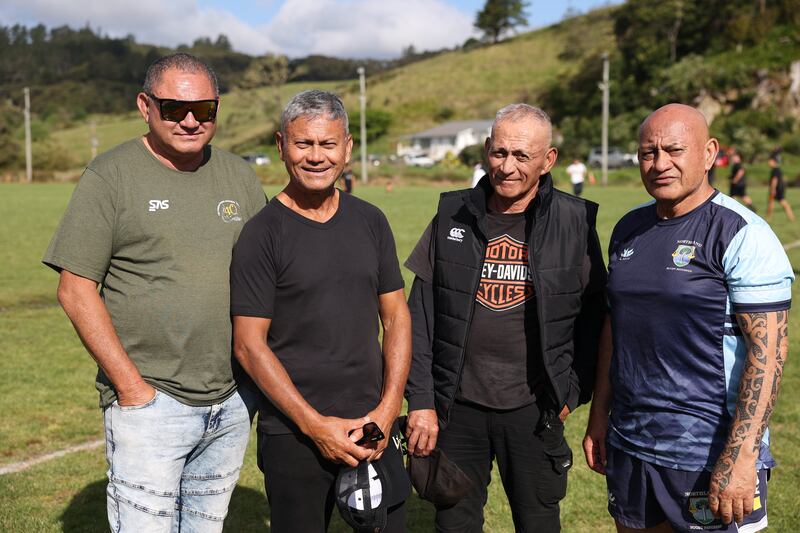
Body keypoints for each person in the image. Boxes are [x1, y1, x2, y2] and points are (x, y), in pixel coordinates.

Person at [42, 53, 267, 532]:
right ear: (145, 106)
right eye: (173, 108)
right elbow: (75, 289)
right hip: (150, 401)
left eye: (203, 109)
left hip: (231, 401)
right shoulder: (111, 176)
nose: (190, 120)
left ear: (216, 108)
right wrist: (131, 388)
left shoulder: (240, 178)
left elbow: (269, 279)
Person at [583, 103, 793, 533]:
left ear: (709, 152)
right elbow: (614, 325)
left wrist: (741, 456)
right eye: (648, 152)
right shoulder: (628, 229)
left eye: (674, 150)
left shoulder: (742, 234)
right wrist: (599, 414)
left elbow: (768, 354)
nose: (660, 164)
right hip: (631, 442)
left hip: (707, 454)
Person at [404, 103, 608, 532]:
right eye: (499, 153)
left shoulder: (575, 221)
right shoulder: (450, 214)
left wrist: (573, 391)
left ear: (547, 160)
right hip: (457, 407)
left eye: (522, 156)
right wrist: (421, 401)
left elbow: (594, 318)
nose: (507, 166)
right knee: (454, 523)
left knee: (538, 522)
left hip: (534, 411)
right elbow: (418, 316)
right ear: (485, 151)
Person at [229, 89, 412, 532]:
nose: (316, 156)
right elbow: (250, 346)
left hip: (373, 427)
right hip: (294, 434)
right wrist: (314, 426)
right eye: (303, 144)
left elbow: (396, 317)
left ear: (347, 148)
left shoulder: (371, 221)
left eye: (328, 144)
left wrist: (387, 413)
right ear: (281, 146)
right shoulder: (261, 234)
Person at [766, 153, 794, 221]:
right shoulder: (777, 169)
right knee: (772, 202)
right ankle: (791, 217)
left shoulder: (775, 170)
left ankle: (768, 218)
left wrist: (773, 189)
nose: (768, 162)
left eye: (769, 161)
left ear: (773, 161)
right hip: (779, 188)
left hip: (776, 189)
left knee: (781, 203)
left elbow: (774, 180)